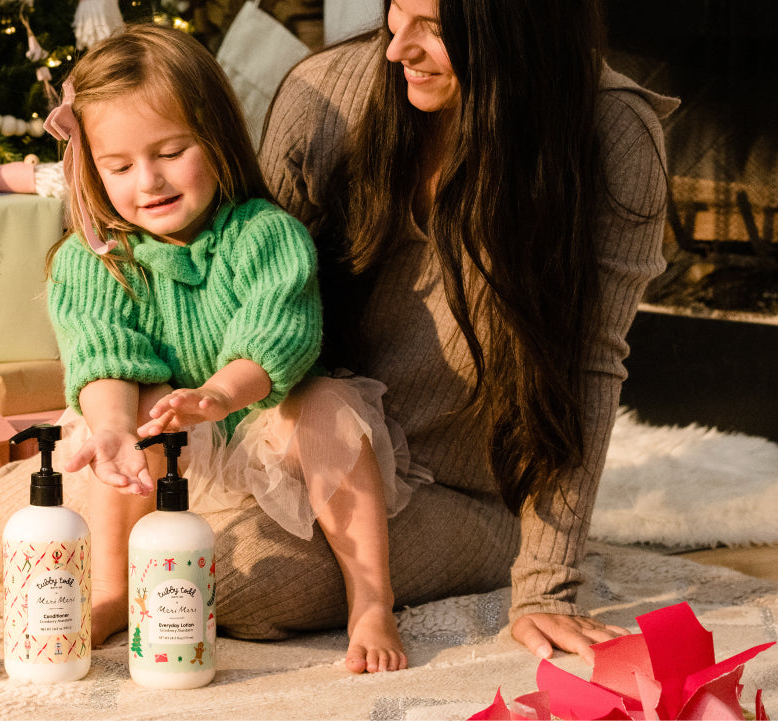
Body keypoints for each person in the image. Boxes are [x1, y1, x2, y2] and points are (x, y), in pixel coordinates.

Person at [248, 0, 678, 667]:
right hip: (295, 447)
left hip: (453, 492)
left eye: (437, 29)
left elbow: (589, 363)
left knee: (223, 579)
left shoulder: (612, 133)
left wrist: (545, 585)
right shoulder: (326, 93)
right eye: (396, 10)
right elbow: (246, 297)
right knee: (56, 519)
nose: (397, 49)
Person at [40, 23, 415, 672]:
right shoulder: (95, 259)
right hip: (168, 446)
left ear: (215, 138)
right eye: (119, 166)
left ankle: (370, 598)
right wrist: (109, 428)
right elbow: (103, 355)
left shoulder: (264, 235)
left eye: (170, 151)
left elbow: (277, 337)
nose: (148, 181)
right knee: (133, 408)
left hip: (260, 425)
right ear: (91, 168)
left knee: (328, 404)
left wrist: (215, 395)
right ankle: (108, 588)